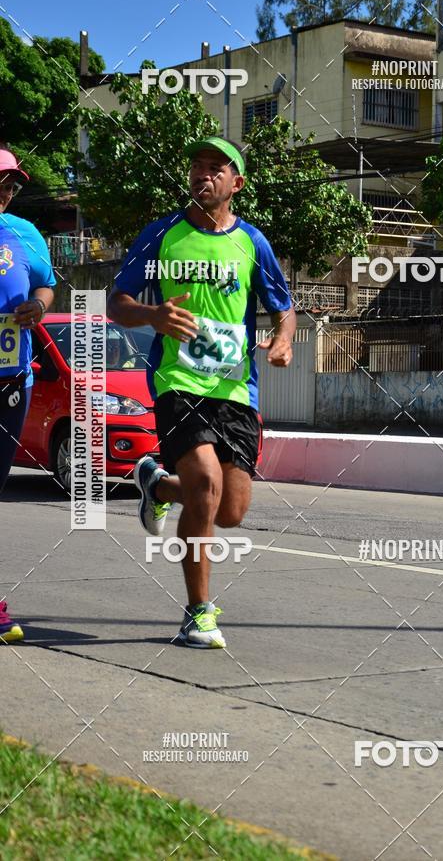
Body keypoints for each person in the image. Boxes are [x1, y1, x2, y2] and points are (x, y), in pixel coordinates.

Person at [107, 136, 296, 648]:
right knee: (206, 482)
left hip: (235, 389)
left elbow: (284, 308)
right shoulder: (162, 234)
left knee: (229, 511)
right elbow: (118, 302)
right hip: (178, 381)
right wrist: (153, 315)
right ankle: (198, 613)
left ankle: (158, 486)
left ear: (237, 183)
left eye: (216, 168)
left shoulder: (252, 242)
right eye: (197, 165)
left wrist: (283, 340)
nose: (203, 174)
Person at [0, 144, 56, 644]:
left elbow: (46, 286)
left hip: (12, 381)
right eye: (1, 183)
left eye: (12, 185)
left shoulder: (25, 234)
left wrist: (38, 306)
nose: (7, 192)